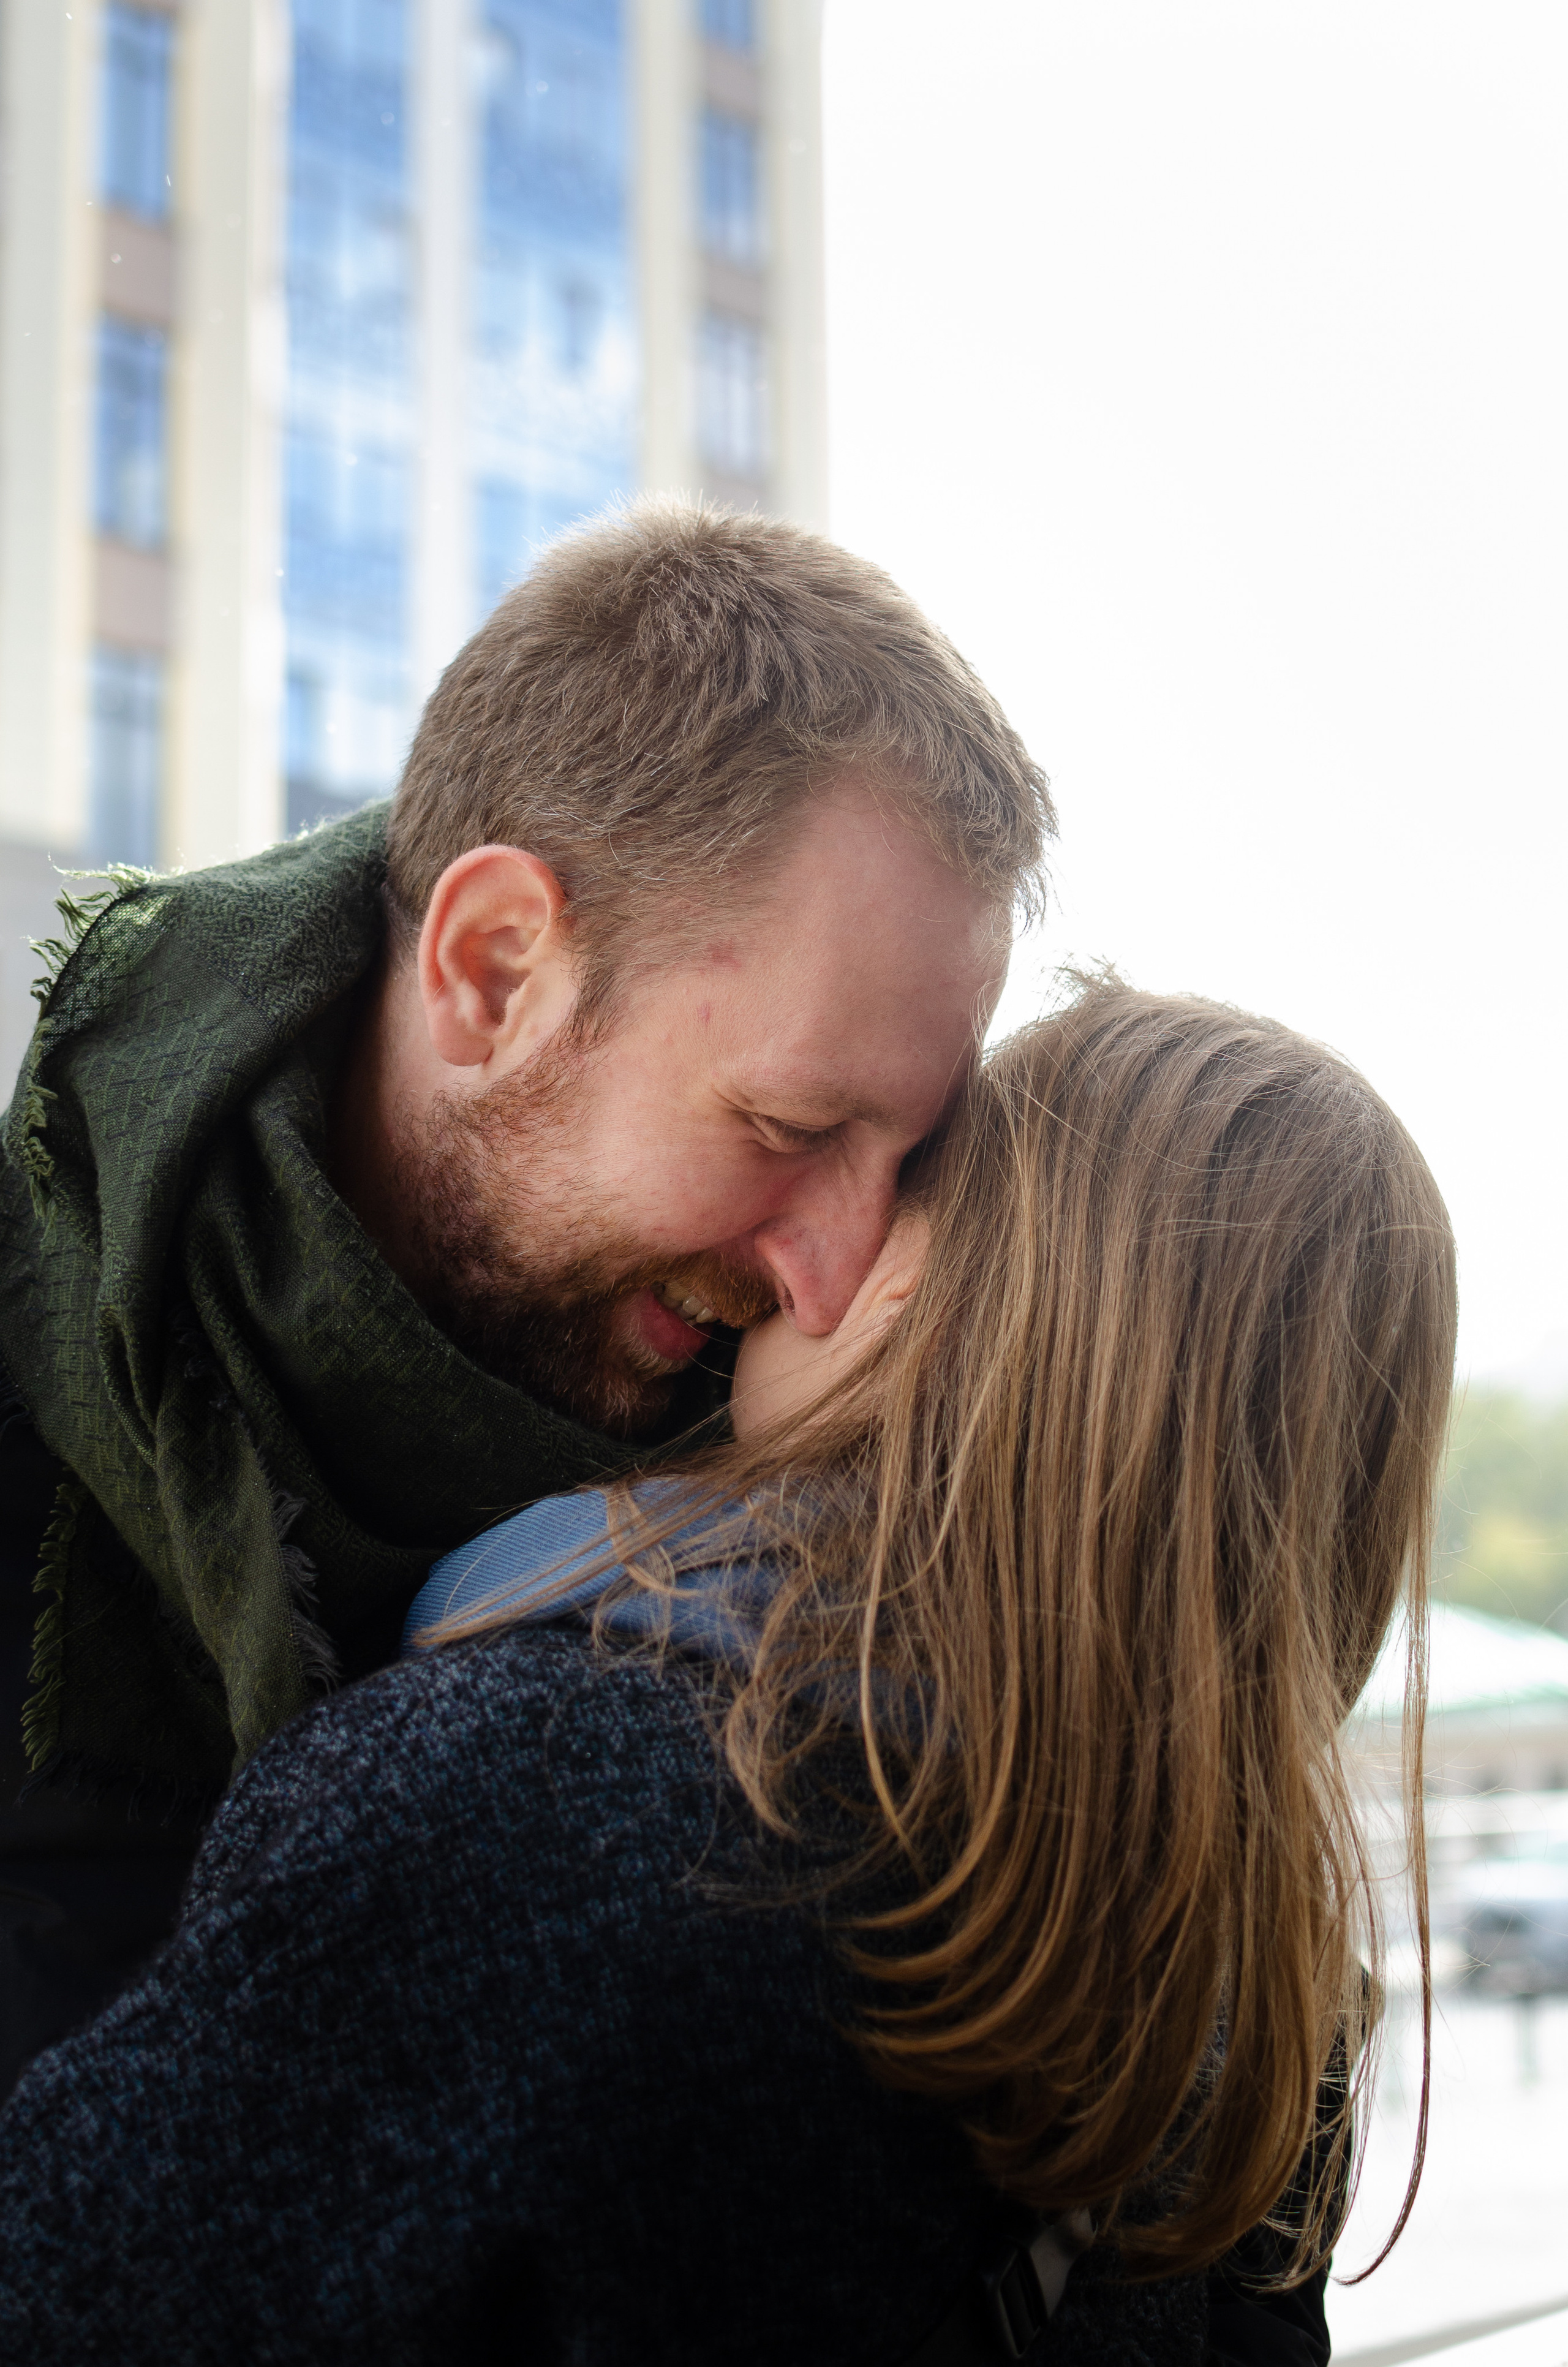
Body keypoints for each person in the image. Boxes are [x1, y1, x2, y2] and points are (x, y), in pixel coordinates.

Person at [0, 983, 1457, 2365]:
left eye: (901, 1178)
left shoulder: (538, 1798)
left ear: (937, 1295)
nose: (799, 1238)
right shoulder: (1255, 1998)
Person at [0, 501, 1051, 2088]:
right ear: (493, 969)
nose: (833, 1283)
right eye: (784, 1127)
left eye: (904, 1162)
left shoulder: (821, 1500)